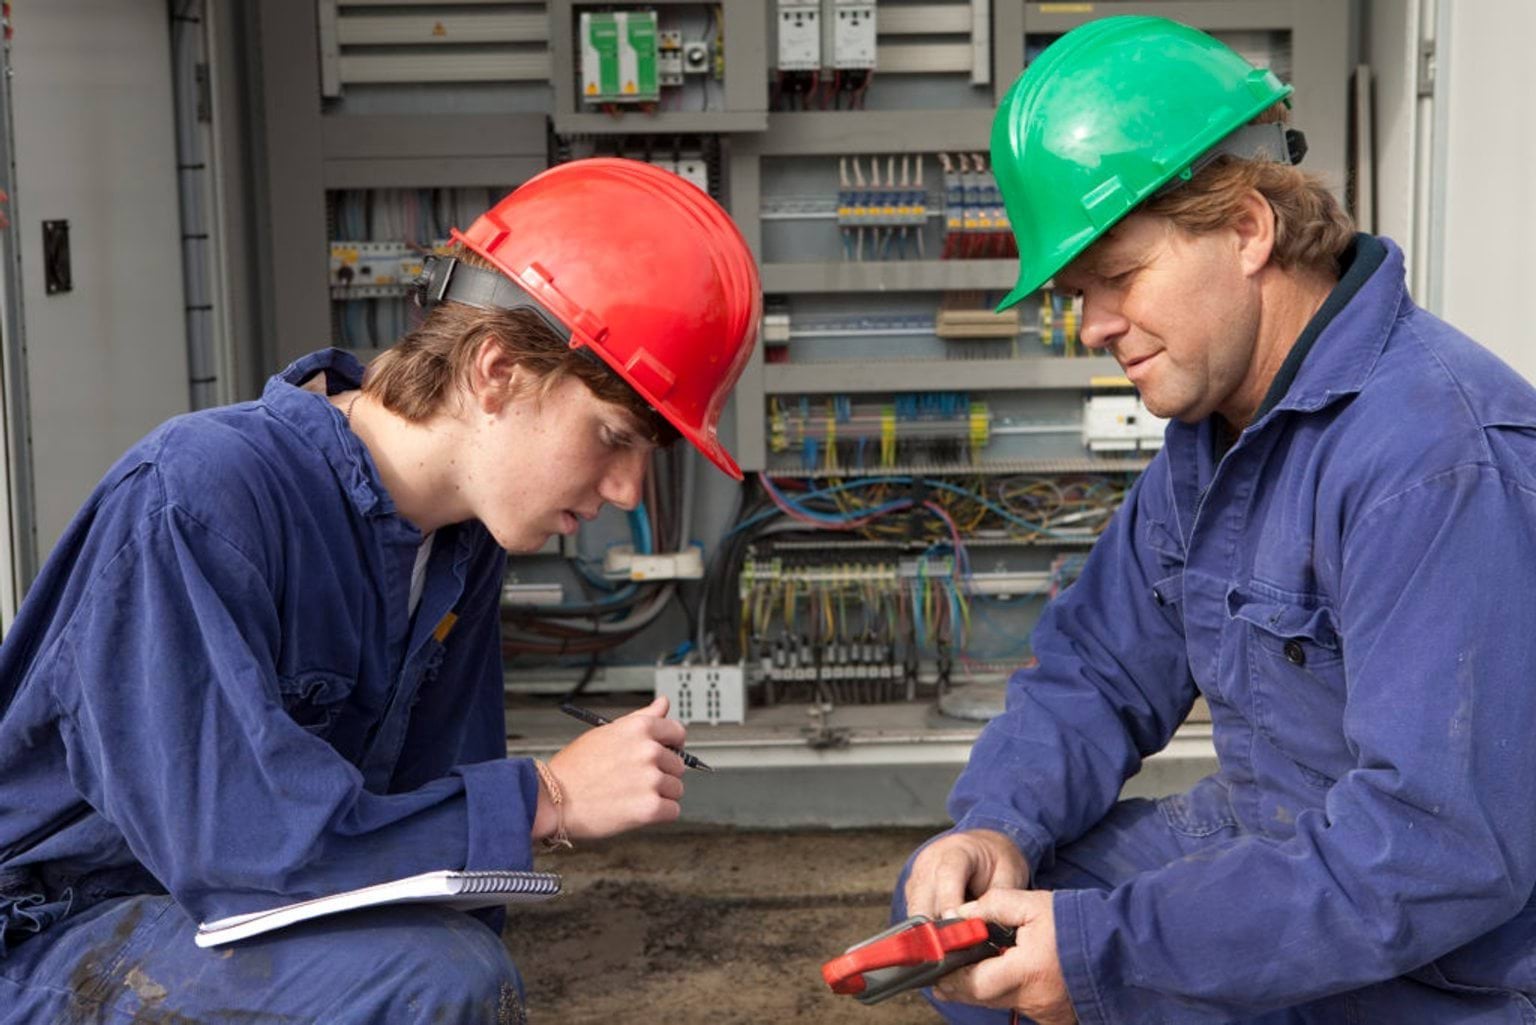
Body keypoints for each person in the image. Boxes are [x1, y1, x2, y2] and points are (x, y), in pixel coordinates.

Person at [0, 158, 760, 1023]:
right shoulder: (200, 497)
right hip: (48, 926)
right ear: (496, 370)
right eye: (613, 436)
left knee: (455, 957)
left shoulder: (461, 547)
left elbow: (441, 871)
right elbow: (242, 856)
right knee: (431, 976)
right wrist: (548, 797)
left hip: (197, 928)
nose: (627, 490)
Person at [897, 16, 1536, 1025]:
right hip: (1283, 846)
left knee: (1074, 961)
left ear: (1247, 230)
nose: (1093, 325)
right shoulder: (1217, 435)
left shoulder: (1433, 458)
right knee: (979, 937)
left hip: (1447, 957)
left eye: (1117, 276)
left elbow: (1436, 847)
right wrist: (995, 828)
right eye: (1076, 292)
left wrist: (1118, 948)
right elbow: (1098, 671)